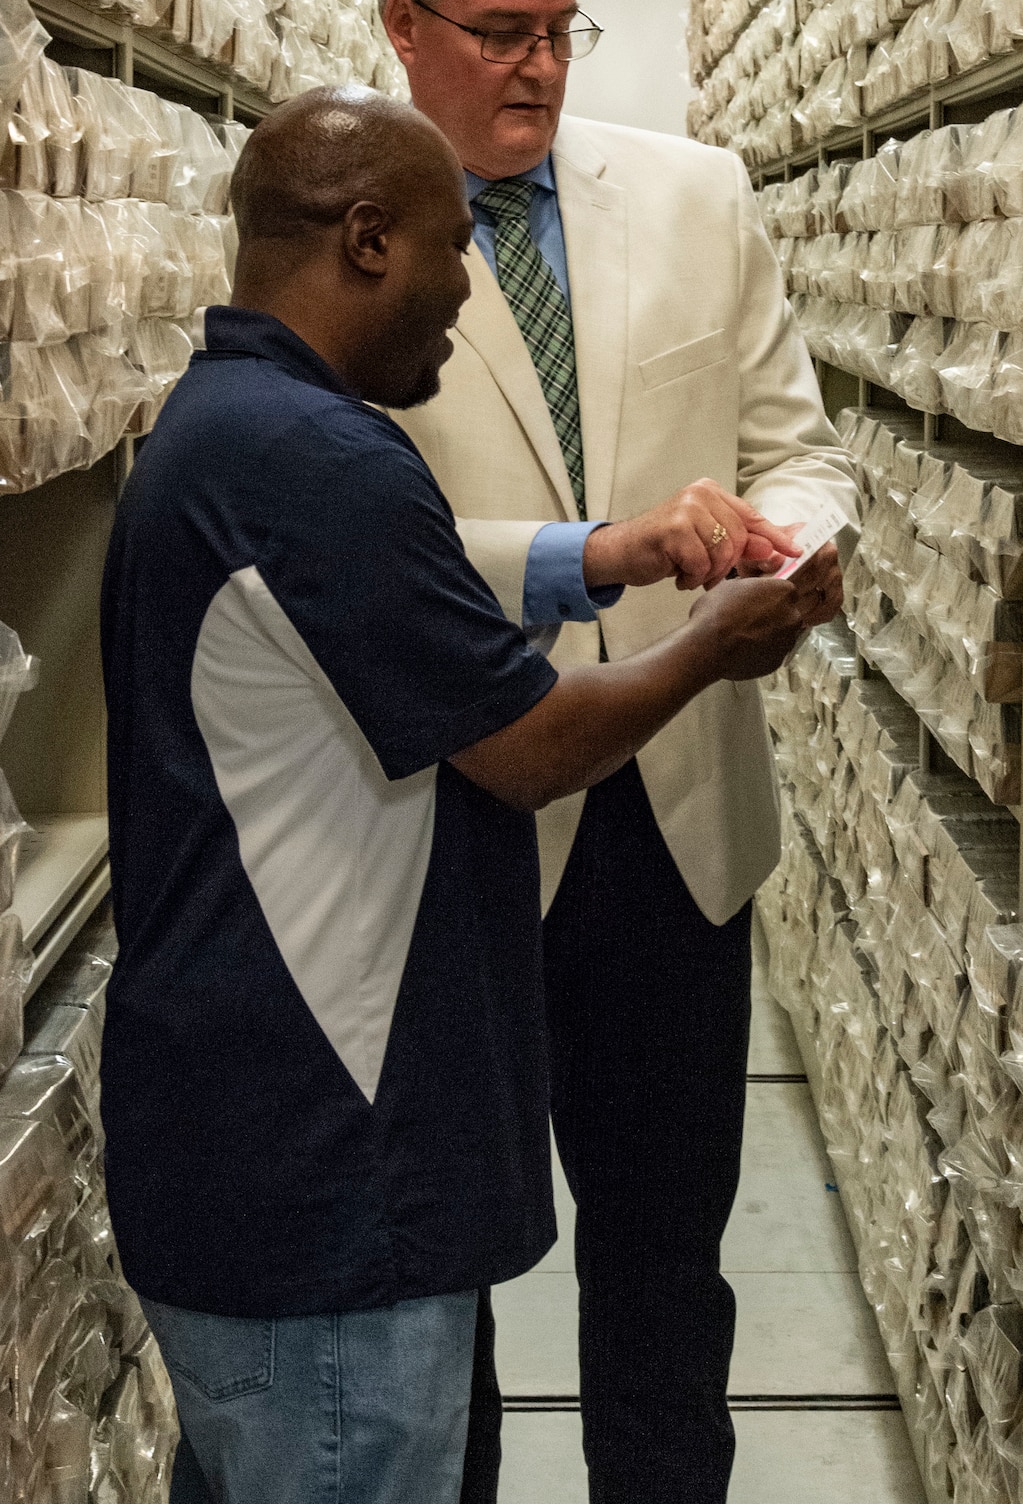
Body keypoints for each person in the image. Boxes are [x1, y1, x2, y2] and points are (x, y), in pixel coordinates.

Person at [99, 87, 831, 1504]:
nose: (466, 284)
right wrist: (714, 647)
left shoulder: (229, 424)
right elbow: (535, 745)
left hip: (257, 1151)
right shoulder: (312, 460)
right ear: (368, 240)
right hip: (323, 1172)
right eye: (452, 249)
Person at [376, 0, 859, 1503]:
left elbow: (790, 446)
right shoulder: (342, 223)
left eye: (561, 33)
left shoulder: (697, 193)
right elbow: (357, 533)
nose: (537, 69)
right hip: (459, 814)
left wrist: (792, 546)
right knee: (448, 1285)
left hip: (673, 825)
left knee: (665, 1264)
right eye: (498, 35)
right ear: (402, 28)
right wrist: (608, 548)